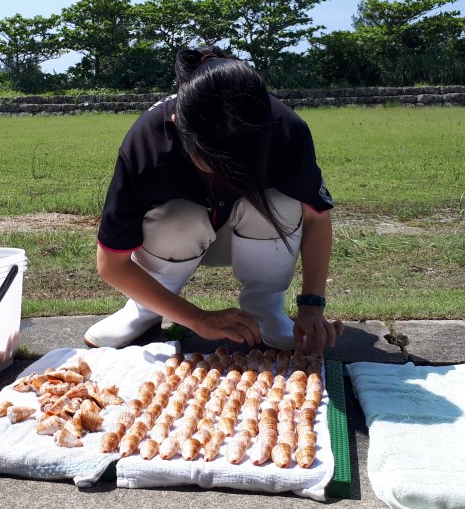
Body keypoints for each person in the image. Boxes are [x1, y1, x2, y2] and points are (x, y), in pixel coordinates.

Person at [84, 46, 344, 355]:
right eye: (215, 163)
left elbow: (316, 217)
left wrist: (312, 306)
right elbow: (111, 263)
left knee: (278, 202)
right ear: (179, 125)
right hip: (174, 242)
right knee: (180, 218)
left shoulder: (287, 131)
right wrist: (197, 319)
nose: (229, 177)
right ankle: (145, 309)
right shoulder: (147, 145)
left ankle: (265, 309)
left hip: (256, 236)